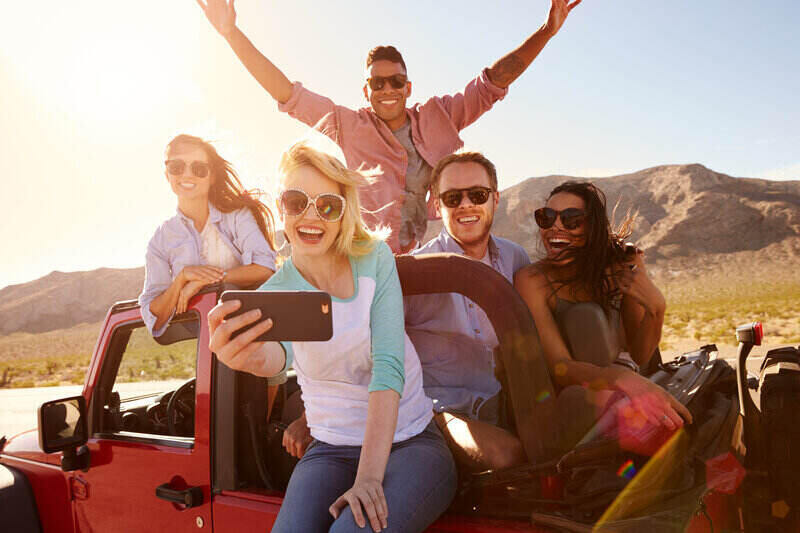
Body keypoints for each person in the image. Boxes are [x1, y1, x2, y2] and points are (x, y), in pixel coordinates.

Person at [197, 0, 583, 253]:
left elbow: (494, 82)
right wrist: (232, 33)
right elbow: (286, 92)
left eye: (395, 81)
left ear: (407, 86)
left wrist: (547, 31)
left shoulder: (440, 116)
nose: (387, 89)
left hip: (438, 255)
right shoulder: (348, 126)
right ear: (366, 90)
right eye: (377, 83)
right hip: (373, 262)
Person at [207, 143, 456, 533]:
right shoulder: (277, 291)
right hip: (330, 449)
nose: (311, 216)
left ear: (344, 214)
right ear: (282, 207)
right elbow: (276, 358)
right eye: (295, 201)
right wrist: (244, 359)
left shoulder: (374, 259)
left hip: (410, 442)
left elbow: (389, 367)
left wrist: (369, 479)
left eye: (327, 206)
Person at [514, 181, 693, 451]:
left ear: (592, 227)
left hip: (628, 381)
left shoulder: (619, 265)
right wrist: (623, 381)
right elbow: (560, 367)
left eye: (571, 219)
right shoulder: (532, 280)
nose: (556, 226)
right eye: (547, 217)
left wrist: (656, 308)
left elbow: (641, 354)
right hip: (577, 396)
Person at [404, 152, 531, 471]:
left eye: (477, 194)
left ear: (495, 199)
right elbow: (372, 344)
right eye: (452, 197)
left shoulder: (515, 257)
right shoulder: (416, 271)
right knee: (506, 456)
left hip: (501, 399)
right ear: (437, 206)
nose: (465, 205)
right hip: (437, 409)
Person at [139, 134, 278, 338]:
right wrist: (181, 279)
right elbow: (154, 316)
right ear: (166, 174)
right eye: (176, 167)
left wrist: (206, 281)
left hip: (257, 336)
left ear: (212, 177)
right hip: (207, 353)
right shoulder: (160, 240)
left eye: (198, 169)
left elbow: (265, 268)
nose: (187, 175)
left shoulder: (237, 217)